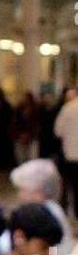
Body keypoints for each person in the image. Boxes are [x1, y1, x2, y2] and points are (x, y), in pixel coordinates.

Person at [10, 158, 69, 232]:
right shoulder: (52, 209)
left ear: (38, 191)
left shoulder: (45, 216)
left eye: (22, 190)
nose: (19, 195)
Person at [54, 88, 78, 219]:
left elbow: (58, 131)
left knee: (68, 184)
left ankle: (66, 210)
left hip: (70, 155)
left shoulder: (66, 109)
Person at [11, 90, 40, 165]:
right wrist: (20, 135)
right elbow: (15, 124)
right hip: (20, 138)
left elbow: (37, 125)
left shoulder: (36, 111)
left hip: (32, 138)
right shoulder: (18, 111)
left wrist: (29, 135)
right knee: (21, 159)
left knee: (31, 160)